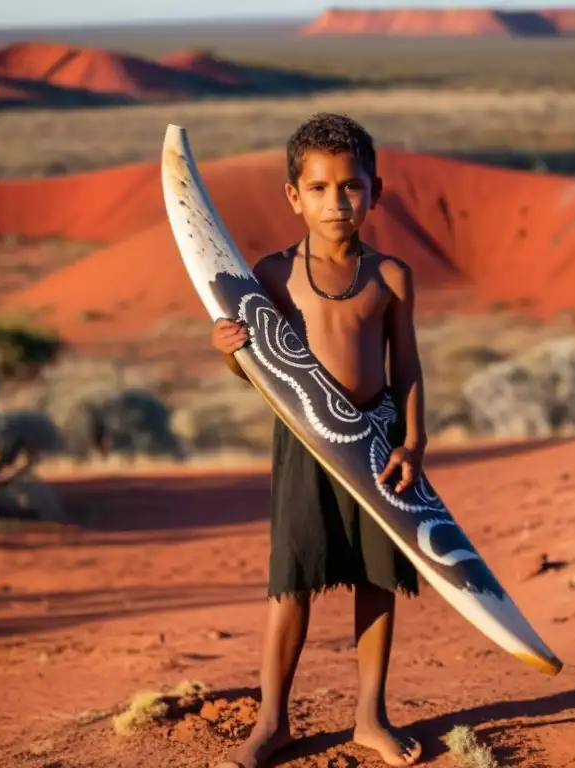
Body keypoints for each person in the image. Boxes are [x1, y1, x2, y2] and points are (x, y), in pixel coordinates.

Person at [210, 112, 427, 768]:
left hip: (376, 440)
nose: (338, 201)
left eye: (352, 186)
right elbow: (257, 366)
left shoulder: (391, 277)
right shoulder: (271, 275)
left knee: (379, 576)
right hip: (304, 441)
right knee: (292, 579)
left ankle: (370, 716)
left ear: (375, 191)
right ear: (294, 196)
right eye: (322, 187)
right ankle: (271, 722)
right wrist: (227, 351)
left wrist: (412, 444)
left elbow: (408, 369)